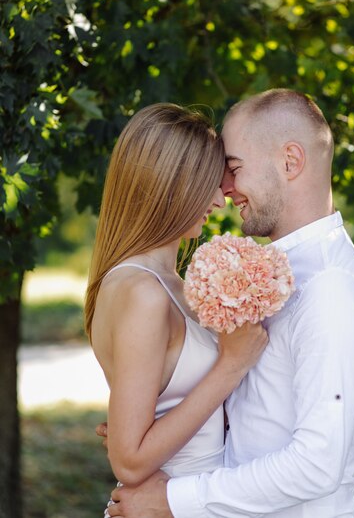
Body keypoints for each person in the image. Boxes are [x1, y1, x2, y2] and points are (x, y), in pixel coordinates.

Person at [104, 88, 354, 518]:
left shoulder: (331, 290)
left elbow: (316, 464)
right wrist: (157, 431)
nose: (225, 188)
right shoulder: (268, 273)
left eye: (233, 168)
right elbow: (259, 411)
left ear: (290, 161)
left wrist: (172, 500)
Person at [85, 103, 268, 507]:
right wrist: (232, 364)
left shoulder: (171, 284)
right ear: (171, 184)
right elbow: (130, 462)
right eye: (208, 183)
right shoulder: (142, 293)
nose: (220, 200)